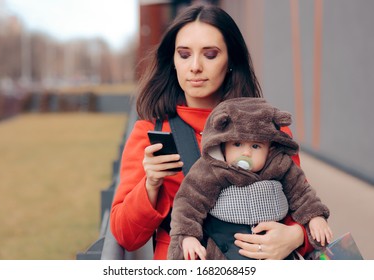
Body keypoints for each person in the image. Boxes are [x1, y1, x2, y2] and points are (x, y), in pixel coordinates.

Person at [110, 4, 313, 260]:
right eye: (184, 55)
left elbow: (306, 207)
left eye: (210, 54)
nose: (195, 66)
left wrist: (296, 237)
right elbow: (125, 236)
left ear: (230, 61)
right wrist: (150, 184)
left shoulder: (269, 128)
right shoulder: (151, 131)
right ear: (172, 61)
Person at [167, 97, 333, 260]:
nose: (246, 153)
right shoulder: (212, 169)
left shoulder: (279, 165)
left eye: (255, 146)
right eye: (237, 144)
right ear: (223, 145)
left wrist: (315, 217)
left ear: (269, 148)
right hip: (224, 249)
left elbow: (302, 192)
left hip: (275, 249)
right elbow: (189, 201)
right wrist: (187, 236)